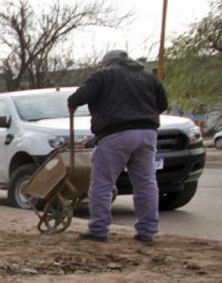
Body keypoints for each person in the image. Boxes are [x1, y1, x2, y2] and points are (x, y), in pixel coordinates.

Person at [68, 50, 168, 243]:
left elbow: (78, 98)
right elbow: (162, 104)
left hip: (114, 133)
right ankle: (147, 232)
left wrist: (72, 104)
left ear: (106, 62)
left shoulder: (104, 75)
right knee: (146, 183)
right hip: (147, 133)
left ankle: (99, 229)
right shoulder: (148, 76)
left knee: (102, 182)